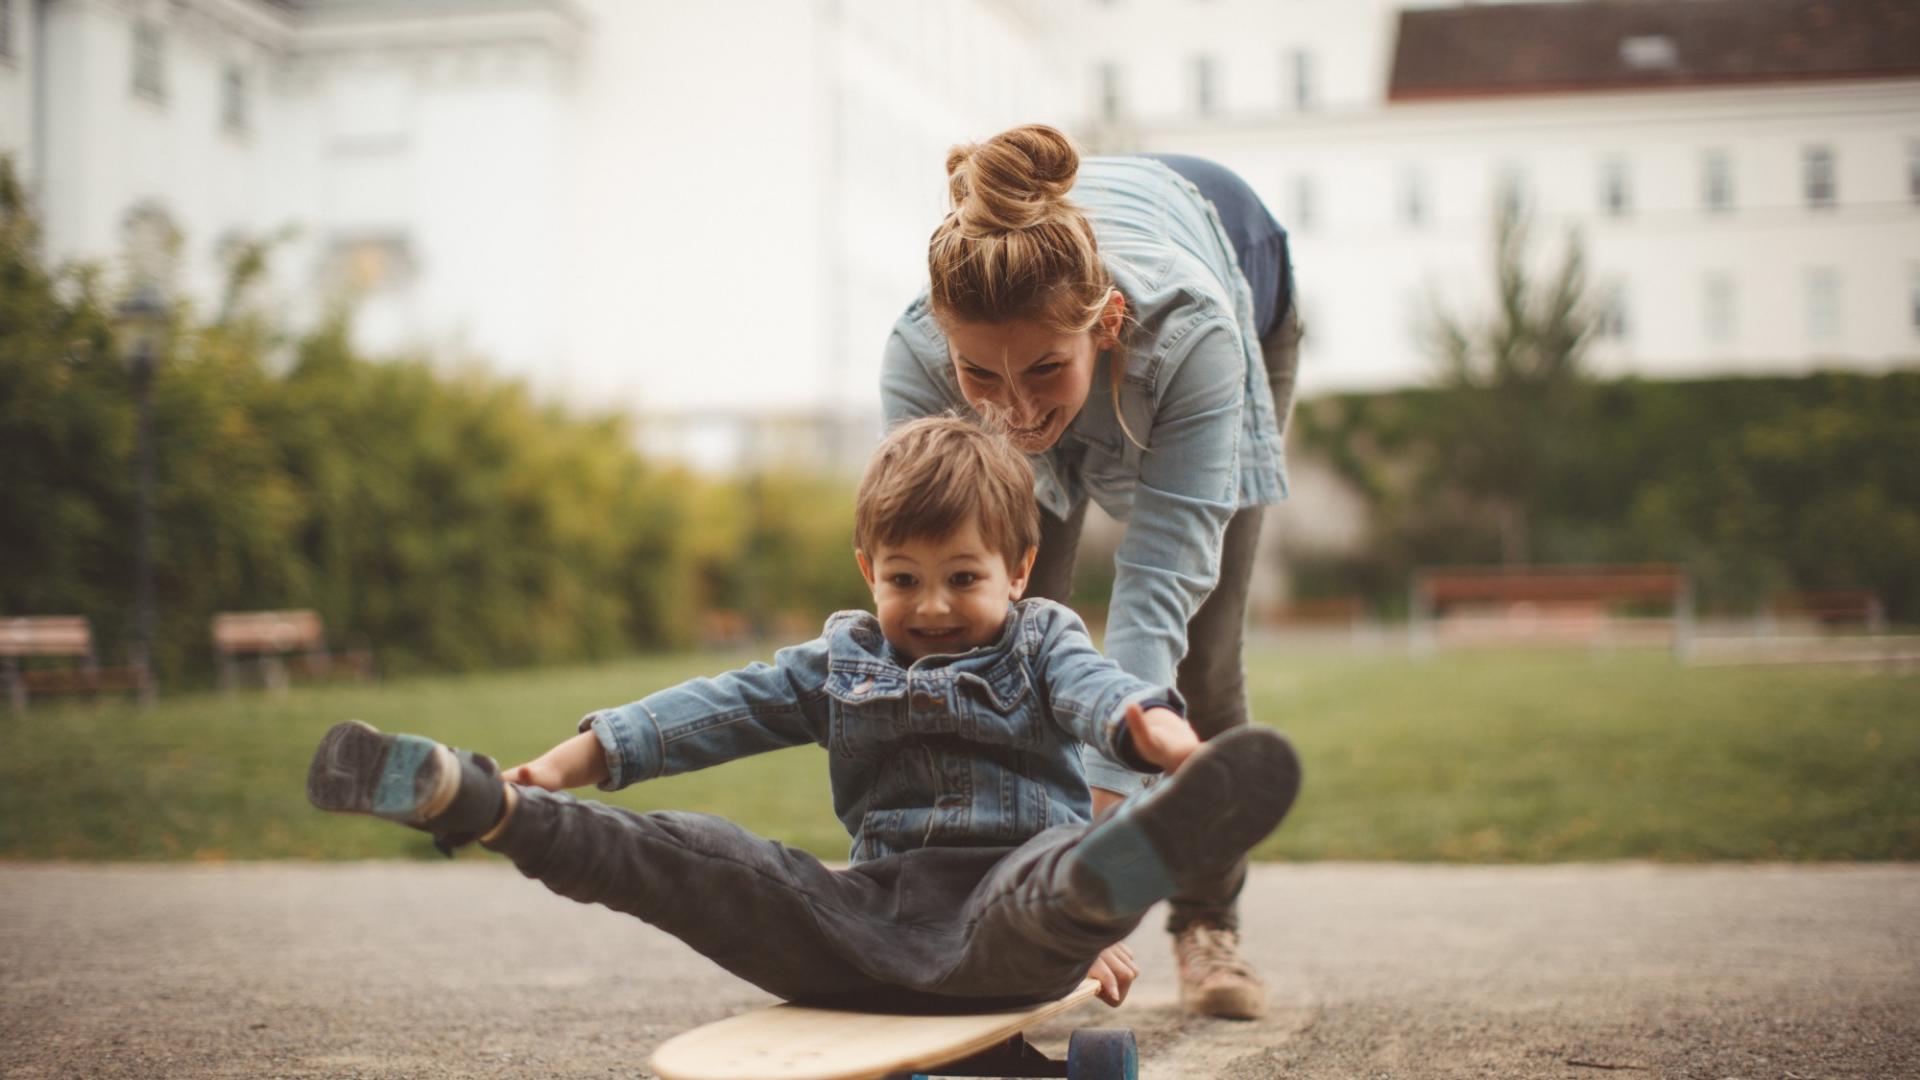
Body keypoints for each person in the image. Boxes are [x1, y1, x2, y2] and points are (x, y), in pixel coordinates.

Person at [306, 417, 1301, 1012]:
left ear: (1020, 568)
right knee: (700, 861)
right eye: (905, 579)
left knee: (1050, 889)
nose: (937, 606)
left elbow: (1093, 692)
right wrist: (576, 758)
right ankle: (485, 806)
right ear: (867, 569)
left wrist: (1151, 729)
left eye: (965, 577)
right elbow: (715, 709)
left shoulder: (1039, 640)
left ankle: (1126, 870)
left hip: (1010, 914)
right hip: (866, 920)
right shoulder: (842, 662)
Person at [880, 124, 1301, 1019]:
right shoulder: (919, 356)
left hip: (1238, 267)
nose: (1019, 410)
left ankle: (1206, 922)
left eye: (1043, 370)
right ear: (946, 344)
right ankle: (987, 908)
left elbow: (1157, 589)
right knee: (994, 636)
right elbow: (939, 613)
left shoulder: (1192, 336)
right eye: (980, 375)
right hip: (1082, 295)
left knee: (1200, 670)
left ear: (1103, 325)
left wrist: (1090, 874)